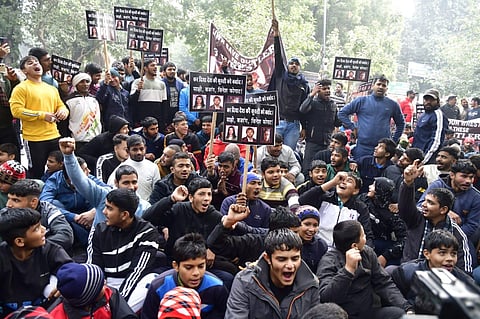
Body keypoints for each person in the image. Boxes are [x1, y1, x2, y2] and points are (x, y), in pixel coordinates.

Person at [317, 220, 411, 319]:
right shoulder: (328, 261)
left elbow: (384, 283)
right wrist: (348, 271)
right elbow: (326, 297)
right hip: (342, 315)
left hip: (368, 312)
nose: (365, 238)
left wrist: (405, 306)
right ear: (354, 245)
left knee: (399, 314)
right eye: (363, 235)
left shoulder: (367, 253)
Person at [91, 188, 160, 312]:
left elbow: (136, 273)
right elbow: (94, 268)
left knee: (151, 280)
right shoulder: (99, 230)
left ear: (124, 215)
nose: (104, 212)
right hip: (105, 286)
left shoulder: (147, 233)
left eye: (109, 208)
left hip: (132, 286)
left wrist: (117, 305)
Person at [225, 228, 319, 318]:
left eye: (295, 259)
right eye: (282, 259)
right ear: (267, 259)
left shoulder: (311, 284)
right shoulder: (244, 282)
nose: (290, 265)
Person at [398, 160, 472, 273]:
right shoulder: (417, 219)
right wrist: (408, 183)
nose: (423, 204)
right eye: (425, 200)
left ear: (443, 210)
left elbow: (464, 269)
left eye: (430, 203)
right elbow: (405, 208)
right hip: (411, 274)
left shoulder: (456, 233)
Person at [0, 207, 72, 318]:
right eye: (37, 229)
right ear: (19, 241)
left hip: (47, 313)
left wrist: (63, 282)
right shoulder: (2, 258)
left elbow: (71, 271)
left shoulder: (50, 250)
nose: (44, 230)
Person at [141, 233, 228, 319]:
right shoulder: (158, 287)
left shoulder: (217, 287)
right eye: (189, 267)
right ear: (176, 266)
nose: (196, 273)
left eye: (201, 266)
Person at [9, 55, 69, 179]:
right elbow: (16, 111)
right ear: (24, 71)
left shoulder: (51, 89)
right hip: (33, 139)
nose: (35, 64)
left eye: (37, 62)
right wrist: (42, 115)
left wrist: (63, 111)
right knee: (37, 170)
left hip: (54, 135)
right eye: (30, 63)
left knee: (62, 168)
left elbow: (61, 106)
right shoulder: (21, 88)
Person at [392, 230, 476, 313]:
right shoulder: (406, 272)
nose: (450, 258)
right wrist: (408, 310)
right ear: (427, 254)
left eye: (453, 254)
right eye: (442, 253)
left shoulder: (462, 281)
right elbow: (394, 298)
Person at [338, 75, 405, 161]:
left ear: (387, 89)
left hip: (382, 150)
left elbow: (401, 123)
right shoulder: (361, 101)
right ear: (373, 86)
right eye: (378, 84)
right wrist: (353, 127)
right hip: (363, 147)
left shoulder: (392, 104)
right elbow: (342, 113)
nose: (381, 87)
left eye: (384, 85)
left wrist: (393, 141)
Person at [299, 171, 373, 247]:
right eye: (341, 179)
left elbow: (367, 234)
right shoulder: (324, 198)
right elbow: (302, 201)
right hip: (318, 247)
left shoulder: (360, 208)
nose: (343, 182)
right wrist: (332, 182)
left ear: (355, 190)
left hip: (343, 252)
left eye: (349, 181)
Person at [270, 18, 310, 151]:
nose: (293, 66)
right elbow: (278, 55)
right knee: (272, 152)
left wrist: (303, 127)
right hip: (278, 122)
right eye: (291, 63)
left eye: (296, 64)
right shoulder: (281, 76)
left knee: (288, 154)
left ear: (299, 68)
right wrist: (276, 33)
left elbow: (305, 108)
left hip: (294, 125)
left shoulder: (304, 85)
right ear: (287, 66)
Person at [417, 160, 480, 238]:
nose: (468, 181)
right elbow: (420, 206)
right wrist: (446, 212)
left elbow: (472, 225)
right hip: (429, 231)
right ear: (452, 175)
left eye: (471, 177)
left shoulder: (475, 196)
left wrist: (450, 238)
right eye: (464, 176)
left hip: (458, 238)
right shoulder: (437, 185)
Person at [50, 262, 137, 319]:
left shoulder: (109, 293)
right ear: (90, 297)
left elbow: (127, 315)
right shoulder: (58, 315)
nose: (105, 282)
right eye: (101, 285)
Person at [7, 179, 74, 251]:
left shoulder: (48, 211)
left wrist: (32, 246)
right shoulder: (7, 213)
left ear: (33, 202)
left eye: (16, 200)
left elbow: (66, 236)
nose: (8, 205)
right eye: (9, 199)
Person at [359, 177, 407, 266]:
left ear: (380, 190)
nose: (369, 187)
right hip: (361, 239)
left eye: (373, 185)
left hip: (380, 245)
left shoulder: (392, 212)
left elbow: (404, 240)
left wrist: (385, 256)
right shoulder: (363, 199)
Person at [299, 79, 342, 175]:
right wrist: (311, 95)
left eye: (328, 88)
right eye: (324, 89)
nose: (327, 91)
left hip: (327, 143)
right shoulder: (313, 102)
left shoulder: (333, 105)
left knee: (323, 169)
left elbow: (337, 122)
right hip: (313, 142)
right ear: (318, 91)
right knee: (308, 168)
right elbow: (302, 109)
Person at [107, 135, 160, 202]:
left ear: (145, 148)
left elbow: (156, 192)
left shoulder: (153, 167)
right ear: (127, 151)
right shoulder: (120, 169)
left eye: (141, 149)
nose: (139, 152)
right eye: (135, 149)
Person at [65, 73, 102, 151]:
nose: (85, 84)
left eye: (87, 81)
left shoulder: (94, 99)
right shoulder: (69, 101)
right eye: (81, 81)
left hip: (95, 139)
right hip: (78, 141)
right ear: (76, 84)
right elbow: (65, 123)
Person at [412, 89, 449, 164]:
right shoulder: (423, 115)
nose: (428, 102)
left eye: (431, 100)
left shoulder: (438, 115)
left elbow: (436, 141)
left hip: (427, 159)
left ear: (437, 101)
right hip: (416, 156)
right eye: (426, 99)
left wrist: (424, 161)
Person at [129, 59, 167, 127]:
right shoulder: (137, 82)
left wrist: (163, 122)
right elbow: (132, 101)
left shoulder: (162, 84)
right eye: (152, 65)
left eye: (156, 65)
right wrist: (138, 90)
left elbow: (164, 105)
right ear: (145, 68)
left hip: (156, 121)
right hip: (142, 120)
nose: (155, 67)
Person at [161, 62, 186, 132]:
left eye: (173, 69)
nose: (172, 71)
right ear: (164, 72)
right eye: (169, 69)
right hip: (165, 115)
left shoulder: (180, 84)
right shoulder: (161, 83)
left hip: (177, 115)